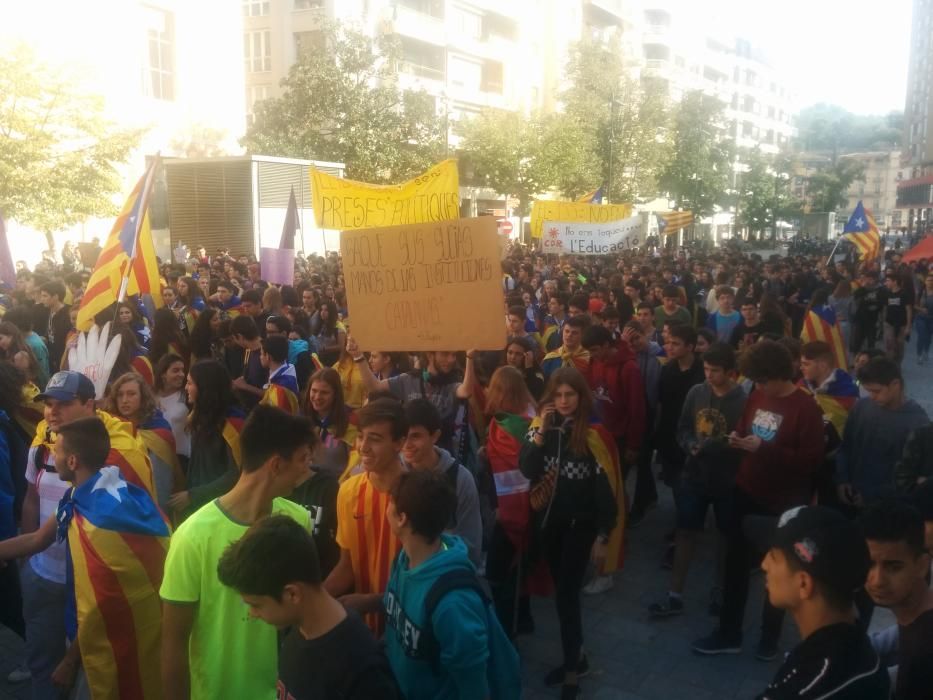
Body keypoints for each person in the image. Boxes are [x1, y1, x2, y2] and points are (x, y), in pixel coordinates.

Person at [0, 417, 170, 699]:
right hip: (85, 632)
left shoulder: (98, 524)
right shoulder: (88, 491)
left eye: (58, 450)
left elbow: (102, 610)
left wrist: (69, 660)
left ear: (73, 461)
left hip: (104, 647)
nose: (53, 454)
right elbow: (37, 539)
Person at [160, 405, 316, 700]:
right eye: (301, 460)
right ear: (276, 465)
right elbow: (173, 645)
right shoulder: (192, 537)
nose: (305, 471)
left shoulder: (298, 522)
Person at [694, 340, 825, 659]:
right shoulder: (757, 394)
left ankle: (770, 638)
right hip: (746, 489)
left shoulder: (806, 408)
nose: (759, 386)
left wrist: (763, 449)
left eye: (763, 380)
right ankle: (729, 632)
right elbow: (743, 427)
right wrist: (737, 439)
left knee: (779, 571)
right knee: (735, 565)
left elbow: (811, 460)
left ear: (778, 375)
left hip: (783, 502)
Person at [216, 515, 398, 700]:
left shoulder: (362, 670)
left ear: (292, 594)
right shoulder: (296, 630)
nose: (252, 614)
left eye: (256, 605)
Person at [520, 367, 619, 700]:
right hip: (550, 525)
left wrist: (604, 535)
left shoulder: (592, 435)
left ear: (581, 397)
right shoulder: (542, 429)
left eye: (570, 395)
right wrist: (539, 432)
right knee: (561, 593)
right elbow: (527, 469)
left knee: (566, 598)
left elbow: (606, 490)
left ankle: (573, 672)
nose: (563, 401)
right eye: (558, 395)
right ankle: (577, 656)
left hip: (581, 528)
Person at [383, 469, 521, 700]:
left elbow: (475, 689)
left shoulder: (453, 604)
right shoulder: (405, 559)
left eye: (390, 503)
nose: (386, 509)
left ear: (401, 518)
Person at [649, 343, 746, 617]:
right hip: (694, 475)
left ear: (730, 372)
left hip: (727, 479)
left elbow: (743, 440)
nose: (709, 375)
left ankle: (720, 589)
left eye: (715, 371)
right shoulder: (697, 392)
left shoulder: (743, 400)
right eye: (706, 369)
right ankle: (675, 593)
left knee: (724, 538)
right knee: (685, 532)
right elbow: (682, 428)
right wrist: (690, 444)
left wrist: (720, 445)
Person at [755, 506, 888, 699]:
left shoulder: (806, 689)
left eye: (774, 557)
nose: (764, 564)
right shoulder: (855, 645)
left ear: (803, 584)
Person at [324, 398, 407, 636]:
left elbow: (426, 579)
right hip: (365, 634)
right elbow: (346, 566)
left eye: (376, 439)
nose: (363, 447)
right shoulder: (348, 491)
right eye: (361, 436)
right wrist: (313, 600)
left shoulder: (419, 495)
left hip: (407, 632)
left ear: (399, 443)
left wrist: (373, 601)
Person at [349, 337, 477, 461]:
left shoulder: (451, 384)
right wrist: (358, 357)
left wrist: (470, 358)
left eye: (454, 355)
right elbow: (375, 387)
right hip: (411, 458)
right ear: (429, 354)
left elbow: (466, 391)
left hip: (441, 461)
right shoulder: (408, 379)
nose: (451, 359)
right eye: (445, 354)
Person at [861, 500, 933, 699]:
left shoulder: (925, 652)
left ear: (922, 566)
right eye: (869, 564)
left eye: (893, 567)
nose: (877, 581)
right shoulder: (916, 621)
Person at [836, 357, 929, 508]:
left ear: (895, 384)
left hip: (887, 509)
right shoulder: (861, 408)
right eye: (868, 391)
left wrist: (872, 497)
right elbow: (846, 447)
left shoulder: (918, 423)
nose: (872, 396)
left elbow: (913, 478)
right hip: (851, 497)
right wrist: (842, 480)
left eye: (876, 391)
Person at [402, 398, 483, 567]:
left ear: (435, 436)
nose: (407, 445)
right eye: (403, 436)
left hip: (444, 574)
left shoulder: (460, 479)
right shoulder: (397, 473)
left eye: (415, 436)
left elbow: (471, 546)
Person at [169, 361, 243, 520]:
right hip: (197, 506)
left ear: (205, 388)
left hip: (221, 510)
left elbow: (236, 474)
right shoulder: (200, 416)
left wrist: (193, 495)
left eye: (190, 383)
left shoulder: (233, 424)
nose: (185, 388)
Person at [106, 371, 182, 511]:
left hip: (148, 510)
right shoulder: (112, 428)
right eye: (120, 394)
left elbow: (161, 487)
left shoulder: (158, 433)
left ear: (143, 397)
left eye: (131, 394)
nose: (124, 400)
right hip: (117, 506)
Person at [656, 324, 705, 487]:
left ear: (690, 346)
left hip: (693, 435)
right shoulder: (668, 369)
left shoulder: (703, 372)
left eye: (675, 343)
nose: (669, 347)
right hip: (669, 433)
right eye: (669, 342)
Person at [154, 353, 191, 466]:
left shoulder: (188, 396)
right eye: (175, 370)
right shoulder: (150, 397)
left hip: (183, 458)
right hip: (158, 457)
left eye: (182, 370)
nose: (181, 374)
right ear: (163, 374)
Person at [260, 334, 300, 414]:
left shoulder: (282, 387)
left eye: (261, 354)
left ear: (268, 356)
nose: (260, 357)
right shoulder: (287, 369)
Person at [883, 271, 912, 365]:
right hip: (889, 323)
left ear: (895, 282)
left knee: (899, 345)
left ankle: (897, 364)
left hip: (901, 324)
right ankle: (889, 364)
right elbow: (886, 308)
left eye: (888, 281)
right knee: (889, 344)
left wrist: (908, 326)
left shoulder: (904, 294)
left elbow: (909, 310)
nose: (886, 283)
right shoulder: (887, 293)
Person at [852, 270, 885, 353]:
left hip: (873, 320)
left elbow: (881, 303)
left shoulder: (880, 289)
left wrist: (869, 303)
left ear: (874, 279)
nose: (867, 280)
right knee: (857, 342)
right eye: (866, 278)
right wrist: (862, 287)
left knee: (871, 342)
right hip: (861, 319)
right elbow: (856, 298)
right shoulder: (862, 289)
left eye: (869, 279)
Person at [504, 335, 546, 400]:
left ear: (527, 355)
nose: (513, 357)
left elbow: (535, 395)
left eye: (518, 354)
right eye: (510, 352)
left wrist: (529, 368)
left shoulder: (537, 375)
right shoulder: (502, 372)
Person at [913, 272, 933, 364]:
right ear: (925, 282)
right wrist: (921, 309)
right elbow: (914, 305)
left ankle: (926, 351)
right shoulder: (920, 292)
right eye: (928, 280)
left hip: (931, 318)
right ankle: (919, 355)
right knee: (922, 336)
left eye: (932, 281)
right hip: (921, 317)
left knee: (928, 337)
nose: (930, 282)